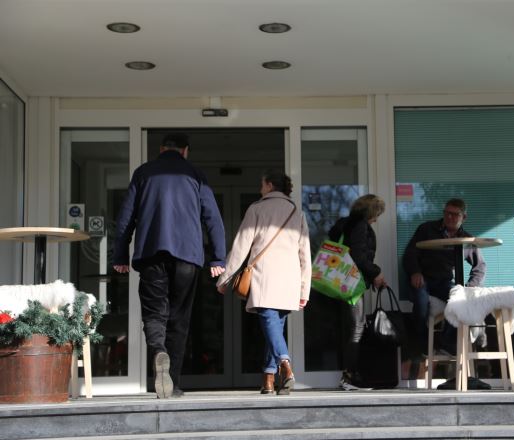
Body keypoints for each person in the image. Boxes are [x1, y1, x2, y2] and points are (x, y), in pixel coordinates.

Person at [112, 133, 226, 399]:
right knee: (179, 318)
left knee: (154, 313)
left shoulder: (143, 173)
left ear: (161, 149)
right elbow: (213, 217)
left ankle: (158, 351)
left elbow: (125, 218)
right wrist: (218, 258)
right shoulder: (195, 175)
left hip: (152, 254)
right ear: (185, 151)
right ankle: (172, 382)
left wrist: (120, 256)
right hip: (187, 256)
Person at [216, 171, 311, 395]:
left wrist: (225, 278)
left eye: (262, 184)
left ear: (269, 185)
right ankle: (268, 379)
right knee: (274, 328)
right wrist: (304, 289)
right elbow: (305, 254)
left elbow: (241, 246)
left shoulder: (257, 208)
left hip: (264, 276)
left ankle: (285, 365)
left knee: (270, 323)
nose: (260, 189)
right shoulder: (296, 212)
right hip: (289, 279)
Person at [403, 198, 486, 358]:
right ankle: (422, 345)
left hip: (444, 281)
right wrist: (415, 272)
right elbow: (410, 253)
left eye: (455, 214)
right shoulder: (427, 229)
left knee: (459, 300)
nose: (449, 217)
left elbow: (480, 266)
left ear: (464, 217)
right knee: (421, 301)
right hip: (423, 278)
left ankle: (446, 343)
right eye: (447, 213)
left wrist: (471, 286)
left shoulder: (466, 239)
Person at [328, 194, 386, 390]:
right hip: (351, 284)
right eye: (377, 214)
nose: (376, 219)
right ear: (370, 212)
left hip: (338, 282)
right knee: (357, 327)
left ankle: (349, 375)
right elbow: (359, 257)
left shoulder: (345, 224)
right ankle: (350, 377)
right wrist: (376, 273)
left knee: (349, 328)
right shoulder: (360, 226)